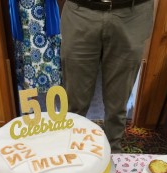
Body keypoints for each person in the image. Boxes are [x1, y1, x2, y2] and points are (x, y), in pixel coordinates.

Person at [60, 0, 154, 153]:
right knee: (75, 102)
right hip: (80, 9)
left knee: (118, 103)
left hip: (133, 12)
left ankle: (113, 152)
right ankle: (73, 151)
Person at [9, 0, 61, 111]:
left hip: (45, 31)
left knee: (49, 72)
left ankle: (53, 117)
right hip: (23, 33)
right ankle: (32, 117)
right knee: (27, 77)